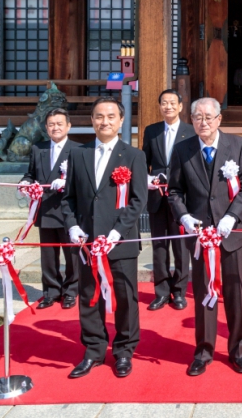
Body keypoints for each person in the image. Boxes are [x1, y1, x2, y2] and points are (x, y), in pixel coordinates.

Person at [168, 97, 242, 376]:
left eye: (208, 117)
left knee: (235, 292)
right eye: (197, 117)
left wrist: (231, 216)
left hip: (232, 233)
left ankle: (238, 350)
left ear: (219, 119)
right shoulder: (183, 149)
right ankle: (203, 352)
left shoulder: (238, 145)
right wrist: (184, 216)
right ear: (191, 120)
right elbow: (174, 191)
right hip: (201, 237)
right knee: (205, 294)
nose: (202, 122)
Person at [62, 97, 148, 379]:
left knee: (125, 297)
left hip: (120, 241)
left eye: (111, 116)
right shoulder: (78, 154)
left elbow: (137, 201)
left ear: (121, 121)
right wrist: (73, 226)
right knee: (89, 296)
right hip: (87, 241)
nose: (105, 121)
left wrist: (115, 233)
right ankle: (94, 350)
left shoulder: (134, 155)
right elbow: (69, 198)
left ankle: (124, 351)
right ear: (92, 120)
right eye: (99, 116)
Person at [19, 108, 80, 310]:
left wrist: (67, 183)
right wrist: (25, 183)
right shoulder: (39, 148)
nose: (55, 127)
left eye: (59, 123)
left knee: (71, 255)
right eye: (51, 124)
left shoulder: (79, 150)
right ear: (46, 127)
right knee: (48, 255)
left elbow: (84, 181)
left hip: (68, 210)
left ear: (68, 126)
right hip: (45, 209)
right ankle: (51, 291)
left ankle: (71, 290)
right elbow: (31, 174)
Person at [142, 89, 195, 311]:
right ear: (160, 106)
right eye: (164, 103)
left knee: (181, 246)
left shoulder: (191, 132)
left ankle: (179, 291)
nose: (169, 107)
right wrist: (148, 178)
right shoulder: (152, 131)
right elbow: (144, 161)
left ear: (181, 106)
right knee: (159, 245)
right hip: (157, 196)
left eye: (173, 103)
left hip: (181, 198)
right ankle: (162, 291)